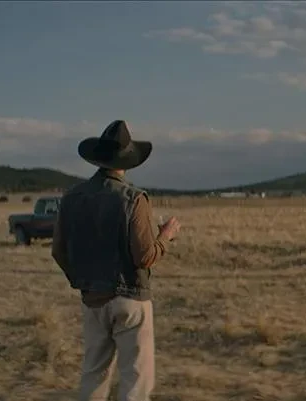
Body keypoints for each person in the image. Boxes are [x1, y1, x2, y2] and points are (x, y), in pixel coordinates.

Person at [50, 120, 182, 401]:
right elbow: (145, 256)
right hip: (130, 297)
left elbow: (58, 251)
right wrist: (166, 236)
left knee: (94, 373)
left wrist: (82, 280)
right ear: (127, 161)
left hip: (92, 297)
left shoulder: (71, 198)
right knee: (135, 379)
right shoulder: (133, 198)